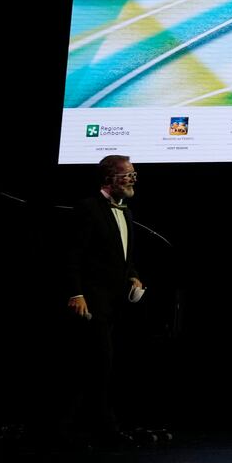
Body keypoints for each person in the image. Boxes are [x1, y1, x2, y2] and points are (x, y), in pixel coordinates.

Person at [62, 155, 144, 445]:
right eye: (127, 175)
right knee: (98, 363)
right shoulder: (87, 208)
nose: (132, 180)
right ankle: (102, 429)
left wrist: (133, 275)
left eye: (134, 175)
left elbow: (123, 255)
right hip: (92, 300)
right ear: (109, 179)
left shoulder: (127, 213)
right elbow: (73, 254)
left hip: (115, 301)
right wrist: (76, 293)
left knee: (106, 364)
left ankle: (91, 425)